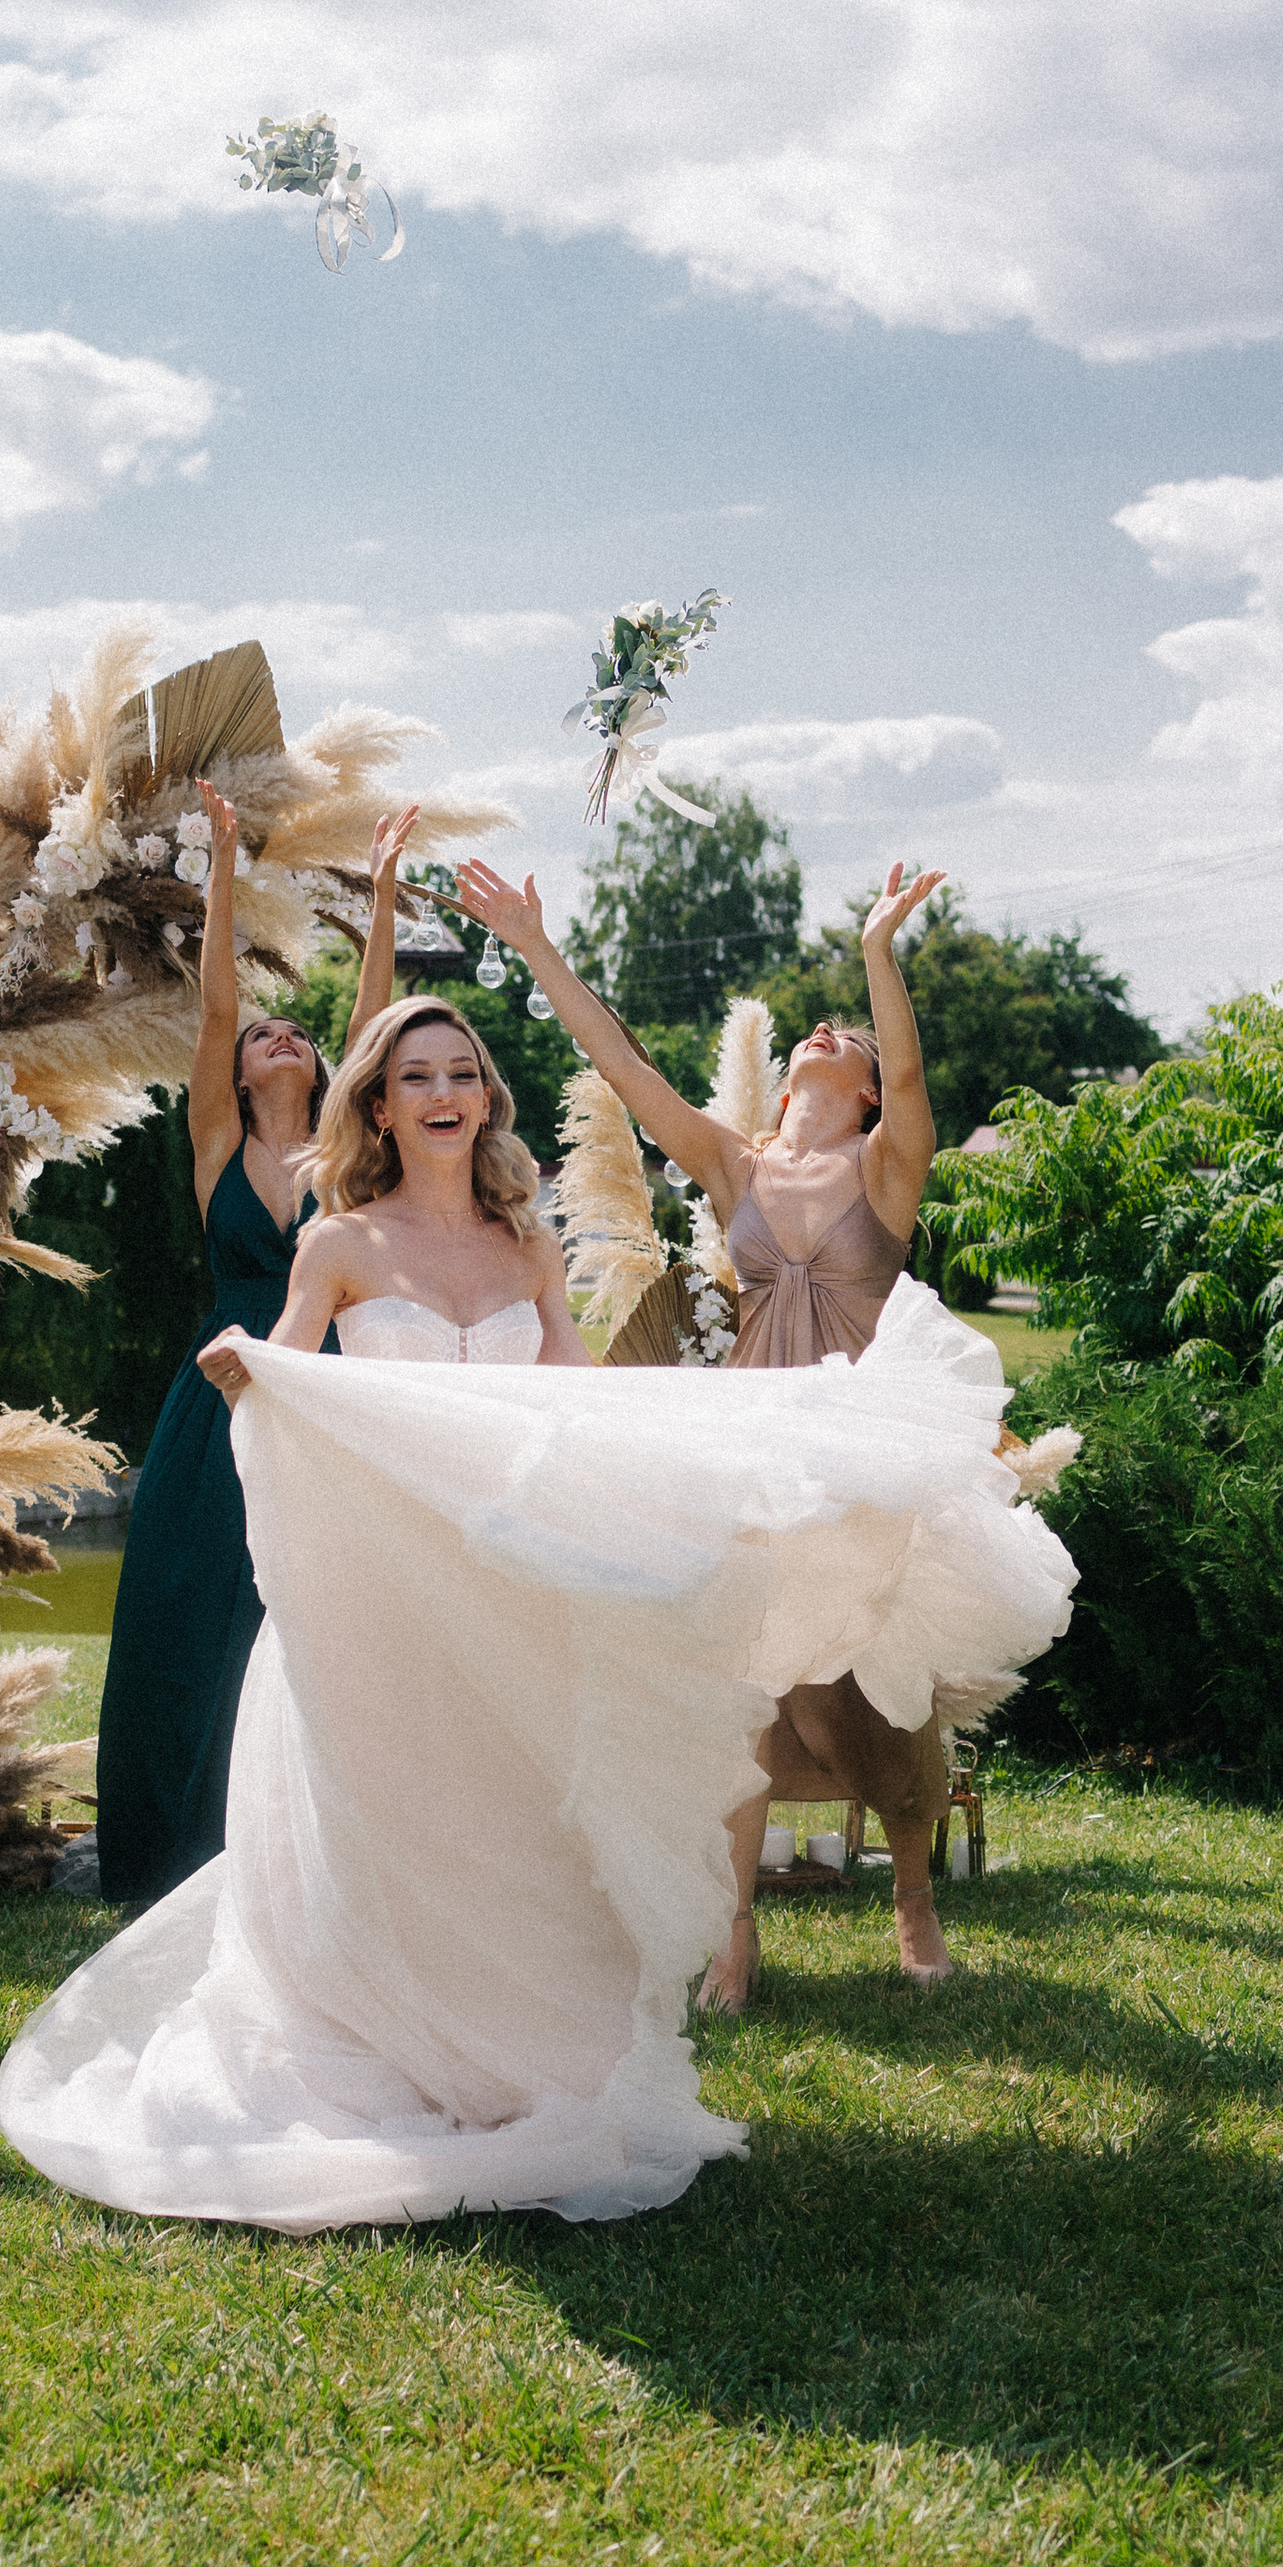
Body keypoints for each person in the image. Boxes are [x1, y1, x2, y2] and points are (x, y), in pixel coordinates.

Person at [0, 993, 1073, 2233]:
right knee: (395, 1816)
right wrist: (253, 1371)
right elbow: (283, 1381)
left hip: (511, 1591)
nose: (444, 1092)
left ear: (485, 1099)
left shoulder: (527, 1246)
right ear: (382, 1107)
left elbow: (572, 1393)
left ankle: (513, 2063)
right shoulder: (338, 1243)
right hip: (387, 1593)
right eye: (416, 1077)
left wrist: (707, 1445)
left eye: (463, 1071)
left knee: (512, 1822)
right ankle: (389, 2048)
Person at [458, 852, 961, 1996]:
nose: (829, 1030)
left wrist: (877, 950)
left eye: (853, 1037)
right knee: (731, 1690)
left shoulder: (887, 1169)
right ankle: (733, 1946)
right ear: (785, 1080)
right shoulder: (734, 1166)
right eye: (820, 1028)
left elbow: (919, 1067)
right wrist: (537, 947)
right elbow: (625, 1069)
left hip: (853, 1451)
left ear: (871, 1093)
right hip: (743, 1456)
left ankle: (913, 1892)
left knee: (875, 1688)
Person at [91, 787, 416, 1906]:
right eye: (264, 1036)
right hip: (220, 1394)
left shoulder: (347, 1155)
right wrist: (222, 866)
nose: (281, 1032)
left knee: (317, 1605)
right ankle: (170, 1843)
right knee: (193, 1596)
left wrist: (378, 898)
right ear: (235, 1074)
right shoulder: (216, 1143)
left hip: (330, 1392)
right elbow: (218, 1005)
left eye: (300, 1032)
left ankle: (320, 1845)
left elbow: (376, 1018)